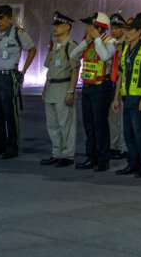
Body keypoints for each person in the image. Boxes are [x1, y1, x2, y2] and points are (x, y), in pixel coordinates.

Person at [0, 5, 36, 159]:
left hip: (8, 77)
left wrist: (23, 71)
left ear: (9, 18)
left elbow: (32, 49)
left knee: (9, 113)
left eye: (1, 18)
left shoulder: (18, 33)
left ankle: (12, 147)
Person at [71, 12, 116, 172]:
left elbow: (104, 57)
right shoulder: (88, 42)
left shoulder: (110, 42)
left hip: (101, 87)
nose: (87, 28)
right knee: (89, 124)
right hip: (88, 87)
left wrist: (96, 39)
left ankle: (103, 160)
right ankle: (91, 157)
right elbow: (73, 55)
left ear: (99, 27)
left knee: (100, 124)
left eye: (90, 25)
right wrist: (86, 42)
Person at [112, 16, 141, 178]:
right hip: (126, 96)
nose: (127, 33)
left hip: (139, 98)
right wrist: (116, 98)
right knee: (128, 133)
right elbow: (121, 74)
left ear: (139, 32)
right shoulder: (125, 47)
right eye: (126, 30)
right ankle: (133, 163)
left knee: (140, 132)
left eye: (130, 30)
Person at [40, 11, 78, 167]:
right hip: (51, 87)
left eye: (59, 25)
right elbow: (49, 70)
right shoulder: (55, 45)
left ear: (67, 27)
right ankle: (57, 153)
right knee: (53, 124)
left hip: (64, 86)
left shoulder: (71, 45)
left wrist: (71, 91)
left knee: (65, 124)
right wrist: (45, 88)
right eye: (54, 25)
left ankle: (68, 155)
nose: (55, 28)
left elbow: (75, 70)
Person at [106, 12, 128, 160]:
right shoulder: (110, 43)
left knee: (123, 118)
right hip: (111, 82)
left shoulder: (128, 44)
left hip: (124, 84)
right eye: (112, 28)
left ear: (123, 29)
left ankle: (124, 147)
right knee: (113, 118)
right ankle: (114, 146)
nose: (113, 31)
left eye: (117, 28)